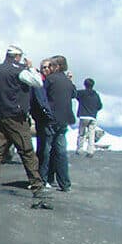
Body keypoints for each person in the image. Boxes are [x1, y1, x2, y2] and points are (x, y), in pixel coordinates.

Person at [0, 45, 47, 201]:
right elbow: (38, 82)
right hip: (17, 117)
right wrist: (31, 68)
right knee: (27, 152)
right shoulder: (20, 71)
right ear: (17, 56)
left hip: (2, 115)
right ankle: (37, 187)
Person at [42, 55, 75, 191]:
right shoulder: (68, 82)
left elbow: (42, 96)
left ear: (57, 66)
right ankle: (64, 183)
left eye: (52, 66)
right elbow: (74, 94)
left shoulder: (50, 80)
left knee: (46, 150)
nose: (49, 68)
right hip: (64, 120)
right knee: (61, 151)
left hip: (51, 119)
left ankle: (44, 179)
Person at [30, 59, 55, 183]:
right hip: (43, 119)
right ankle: (42, 177)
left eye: (48, 67)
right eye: (43, 67)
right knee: (44, 149)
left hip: (50, 119)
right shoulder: (39, 83)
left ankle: (48, 177)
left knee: (50, 149)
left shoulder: (53, 82)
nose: (46, 69)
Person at [74, 77, 103, 157]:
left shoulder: (82, 93)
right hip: (93, 117)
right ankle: (90, 151)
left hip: (83, 116)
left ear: (85, 85)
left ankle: (79, 149)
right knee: (91, 134)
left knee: (81, 133)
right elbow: (100, 106)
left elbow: (73, 94)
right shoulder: (96, 95)